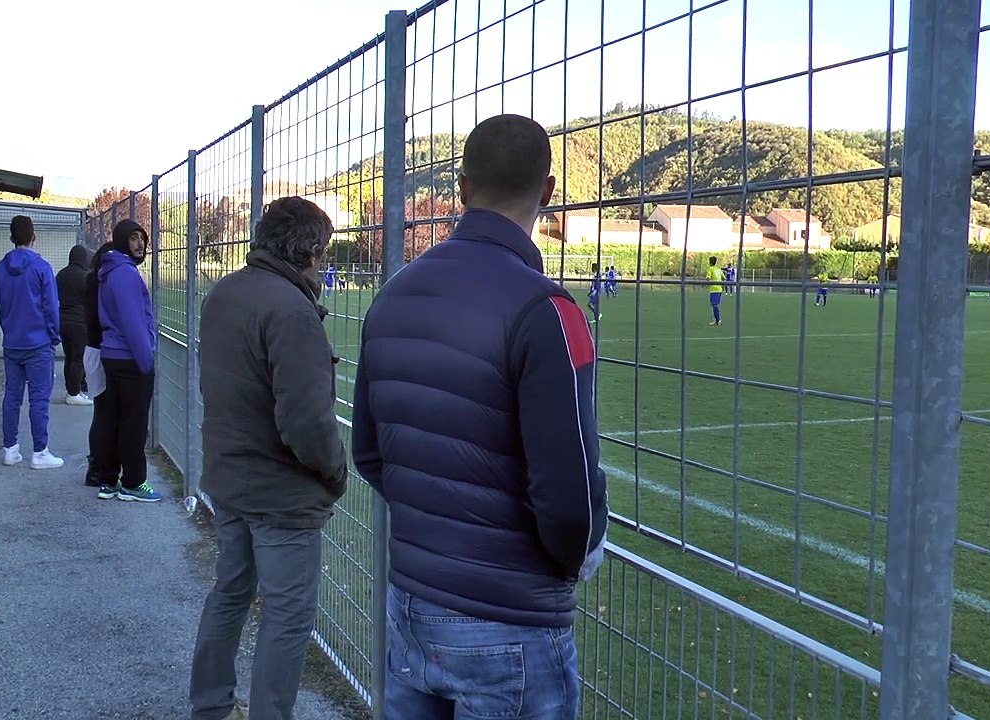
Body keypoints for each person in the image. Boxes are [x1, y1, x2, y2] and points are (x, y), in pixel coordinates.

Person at [351, 115, 606, 720]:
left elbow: (368, 451)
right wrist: (567, 558)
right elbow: (570, 500)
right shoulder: (548, 310)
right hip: (510, 622)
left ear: (461, 188)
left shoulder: (394, 294)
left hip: (412, 602)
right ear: (547, 192)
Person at [190, 197, 347, 720]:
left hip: (230, 478)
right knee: (288, 615)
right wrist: (334, 471)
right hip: (280, 493)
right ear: (310, 251)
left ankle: (210, 706)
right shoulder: (291, 310)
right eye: (323, 255)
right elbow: (305, 420)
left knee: (231, 591)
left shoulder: (226, 293)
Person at [93, 221, 160, 502]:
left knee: (113, 419)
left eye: (142, 238)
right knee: (133, 423)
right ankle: (134, 483)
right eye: (133, 238)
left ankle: (108, 479)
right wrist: (146, 362)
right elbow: (133, 322)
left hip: (112, 354)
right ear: (122, 241)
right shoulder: (125, 275)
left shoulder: (109, 270)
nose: (140, 244)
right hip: (131, 359)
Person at [0, 215, 64, 469]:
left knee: (12, 396)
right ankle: (39, 451)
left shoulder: (0, 269)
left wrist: (8, 330)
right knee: (39, 398)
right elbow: (51, 307)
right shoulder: (42, 267)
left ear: (11, 238)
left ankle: (10, 449)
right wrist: (54, 336)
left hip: (12, 342)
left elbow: (1, 307)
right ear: (34, 236)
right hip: (38, 342)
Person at [82, 243, 112, 489]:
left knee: (100, 412)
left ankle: (96, 465)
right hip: (104, 350)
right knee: (107, 413)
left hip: (91, 349)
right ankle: (102, 467)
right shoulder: (103, 283)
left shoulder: (91, 281)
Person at [56, 244, 94, 406]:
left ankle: (71, 389)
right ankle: (73, 393)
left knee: (69, 357)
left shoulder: (61, 275)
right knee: (78, 359)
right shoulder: (85, 277)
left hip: (62, 321)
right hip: (79, 323)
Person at [707, 255, 723, 326]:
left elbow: (708, 278)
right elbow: (724, 277)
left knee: (714, 305)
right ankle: (717, 320)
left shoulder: (710, 269)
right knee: (715, 305)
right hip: (719, 289)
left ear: (709, 262)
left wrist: (708, 280)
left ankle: (717, 320)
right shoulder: (719, 269)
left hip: (714, 289)